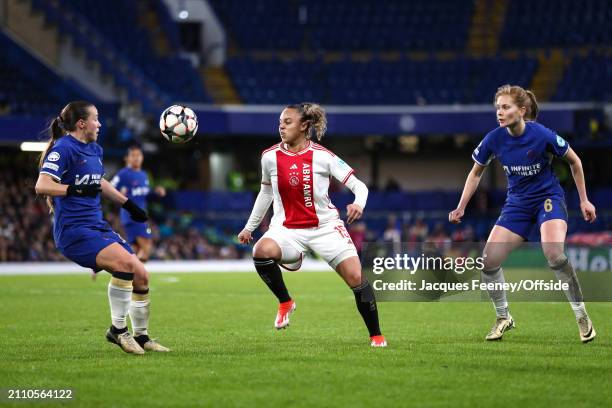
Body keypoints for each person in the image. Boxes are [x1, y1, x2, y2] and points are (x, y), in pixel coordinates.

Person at [449, 85, 597, 343]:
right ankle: (503, 316)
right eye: (497, 107)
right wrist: (462, 206)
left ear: (522, 110)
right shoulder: (494, 138)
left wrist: (584, 200)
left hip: (547, 199)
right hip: (517, 205)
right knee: (488, 261)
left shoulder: (542, 135)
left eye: (505, 107)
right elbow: (476, 172)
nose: (500, 112)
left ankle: (581, 315)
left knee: (553, 253)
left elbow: (575, 161)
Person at [237, 102, 386, 347]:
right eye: (280, 123)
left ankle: (376, 336)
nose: (281, 127)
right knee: (260, 252)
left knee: (356, 277)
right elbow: (266, 193)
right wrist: (249, 227)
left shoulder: (323, 156)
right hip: (286, 230)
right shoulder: (269, 157)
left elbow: (359, 186)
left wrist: (359, 203)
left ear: (304, 126)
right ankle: (285, 301)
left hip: (325, 228)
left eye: (287, 122)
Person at [35, 101, 170, 354]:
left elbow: (100, 182)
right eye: (96, 118)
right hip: (74, 231)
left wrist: (128, 204)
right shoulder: (63, 148)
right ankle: (117, 331)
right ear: (81, 123)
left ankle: (142, 337)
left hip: (97, 226)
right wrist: (72, 189)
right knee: (126, 265)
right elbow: (42, 185)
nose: (100, 123)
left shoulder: (94, 149)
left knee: (142, 274)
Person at [111, 145, 166, 262]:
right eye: (133, 155)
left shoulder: (143, 175)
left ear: (142, 157)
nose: (136, 158)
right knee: (147, 247)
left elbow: (143, 194)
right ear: (127, 158)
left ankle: (120, 268)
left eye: (139, 155)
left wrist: (155, 193)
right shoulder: (123, 174)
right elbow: (110, 188)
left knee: (135, 249)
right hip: (132, 216)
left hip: (140, 215)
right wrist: (118, 192)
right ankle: (131, 271)